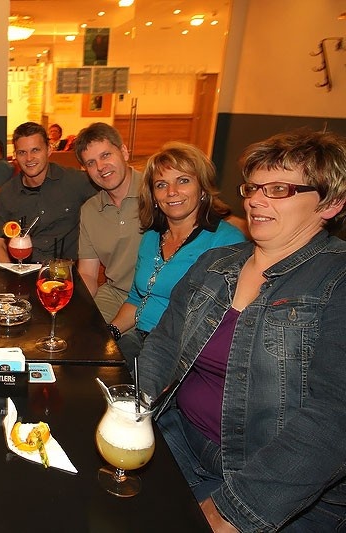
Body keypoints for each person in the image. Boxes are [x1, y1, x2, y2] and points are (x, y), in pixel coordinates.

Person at [139, 129, 346, 532]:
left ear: (331, 203)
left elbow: (333, 420)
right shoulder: (216, 263)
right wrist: (133, 412)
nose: (254, 200)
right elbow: (163, 344)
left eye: (279, 189)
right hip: (180, 437)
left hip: (276, 489)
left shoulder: (336, 280)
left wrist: (233, 511)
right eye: (252, 187)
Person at [106, 142, 245, 367]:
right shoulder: (151, 236)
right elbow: (137, 299)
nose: (171, 192)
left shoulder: (226, 241)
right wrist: (110, 333)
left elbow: (222, 321)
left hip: (182, 354)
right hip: (139, 339)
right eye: (161, 184)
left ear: (202, 188)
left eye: (183, 180)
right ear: (153, 195)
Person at [0, 122, 96, 263]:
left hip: (66, 271)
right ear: (15, 155)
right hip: (23, 271)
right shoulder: (7, 194)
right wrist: (9, 273)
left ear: (49, 150)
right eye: (22, 152)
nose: (29, 158)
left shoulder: (76, 181)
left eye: (35, 150)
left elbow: (111, 196)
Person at [75, 122, 144, 322]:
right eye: (91, 163)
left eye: (106, 155)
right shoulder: (90, 210)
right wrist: (72, 306)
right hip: (115, 294)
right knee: (78, 331)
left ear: (124, 152)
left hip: (159, 298)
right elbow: (88, 274)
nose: (100, 167)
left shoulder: (157, 191)